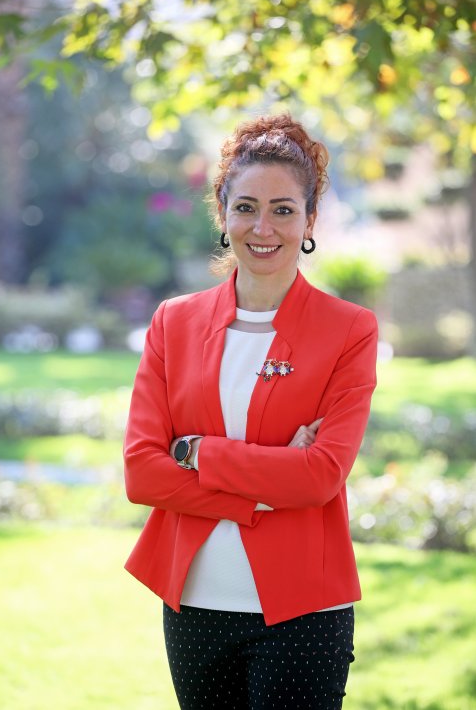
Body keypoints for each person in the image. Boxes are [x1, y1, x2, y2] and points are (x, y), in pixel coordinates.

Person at [123, 113, 378, 709]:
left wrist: (195, 452)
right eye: (246, 207)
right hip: (194, 605)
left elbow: (320, 476)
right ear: (222, 212)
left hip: (303, 611)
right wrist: (264, 487)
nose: (263, 228)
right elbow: (142, 474)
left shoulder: (349, 330)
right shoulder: (173, 323)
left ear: (310, 220)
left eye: (283, 209)